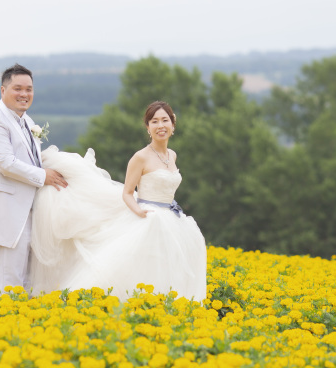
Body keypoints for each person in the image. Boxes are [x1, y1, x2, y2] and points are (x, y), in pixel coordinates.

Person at [30, 101, 206, 300]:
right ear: (148, 128)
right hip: (150, 215)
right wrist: (139, 211)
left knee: (175, 264)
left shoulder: (172, 155)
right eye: (154, 121)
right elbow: (128, 193)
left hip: (173, 217)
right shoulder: (140, 157)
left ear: (173, 124)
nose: (160, 125)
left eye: (165, 120)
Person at [0, 64, 68, 295]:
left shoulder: (26, 120)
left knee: (27, 282)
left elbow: (32, 159)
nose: (24, 94)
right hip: (8, 212)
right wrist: (44, 176)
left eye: (29, 89)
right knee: (11, 282)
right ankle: (7, 326)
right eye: (18, 88)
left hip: (30, 209)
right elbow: (6, 164)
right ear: (3, 90)